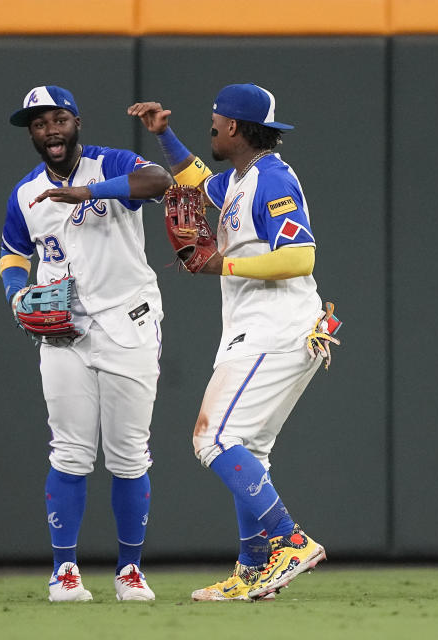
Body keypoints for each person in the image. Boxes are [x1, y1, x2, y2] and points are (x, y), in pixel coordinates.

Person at [129, 83, 337, 601]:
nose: (213, 127)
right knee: (251, 451)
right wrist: (165, 137)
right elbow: (197, 185)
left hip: (278, 324)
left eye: (217, 121)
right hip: (259, 325)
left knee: (212, 438)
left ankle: (290, 541)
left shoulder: (272, 179)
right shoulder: (240, 178)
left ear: (238, 129)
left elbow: (301, 257)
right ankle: (252, 570)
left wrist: (225, 262)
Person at [0, 85, 173, 602]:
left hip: (130, 320)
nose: (49, 131)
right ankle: (65, 571)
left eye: (57, 119)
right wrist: (16, 295)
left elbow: (159, 180)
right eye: (38, 124)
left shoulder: (110, 163)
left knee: (128, 453)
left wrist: (90, 193)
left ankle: (129, 571)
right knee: (70, 451)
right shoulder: (25, 193)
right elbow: (12, 252)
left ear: (76, 121)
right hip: (64, 331)